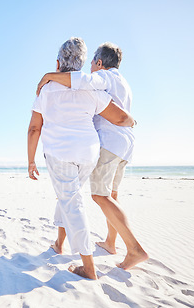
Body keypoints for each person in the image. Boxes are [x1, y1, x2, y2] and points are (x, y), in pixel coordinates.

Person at [28, 37, 135, 280]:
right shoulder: (93, 89)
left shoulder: (47, 89)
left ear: (58, 63)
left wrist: (31, 161)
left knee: (72, 201)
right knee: (69, 194)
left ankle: (88, 267)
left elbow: (34, 128)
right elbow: (119, 116)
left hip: (59, 154)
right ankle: (59, 243)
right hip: (89, 153)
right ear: (82, 63)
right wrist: (130, 121)